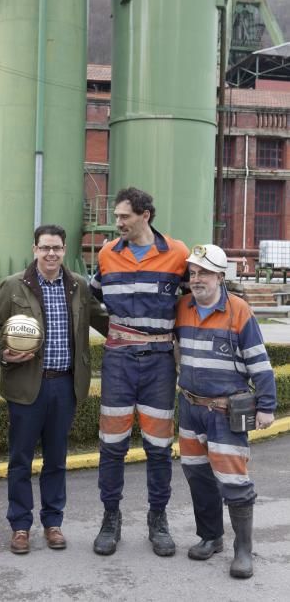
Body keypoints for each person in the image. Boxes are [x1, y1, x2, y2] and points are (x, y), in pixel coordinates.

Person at [0, 224, 108, 554]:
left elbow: (105, 320)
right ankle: (20, 526)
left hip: (65, 386)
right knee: (20, 460)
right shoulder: (13, 286)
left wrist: (143, 330)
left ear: (64, 250)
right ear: (35, 249)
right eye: (45, 248)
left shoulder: (78, 287)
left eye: (56, 248)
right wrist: (4, 353)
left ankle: (53, 523)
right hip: (26, 386)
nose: (51, 253)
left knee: (56, 460)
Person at [91, 187, 189, 557]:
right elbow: (94, 299)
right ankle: (110, 518)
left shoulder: (177, 254)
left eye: (125, 216)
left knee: (159, 448)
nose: (118, 222)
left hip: (159, 364)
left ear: (146, 215)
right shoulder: (106, 254)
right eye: (117, 216)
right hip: (117, 362)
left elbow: (194, 298)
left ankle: (158, 519)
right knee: (111, 446)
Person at [175, 243, 276, 579]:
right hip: (190, 408)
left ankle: (243, 549)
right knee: (198, 477)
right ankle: (210, 537)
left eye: (204, 272)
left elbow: (259, 362)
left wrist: (267, 406)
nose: (197, 278)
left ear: (220, 276)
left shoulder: (239, 310)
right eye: (193, 272)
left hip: (224, 412)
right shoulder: (183, 307)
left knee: (233, 482)